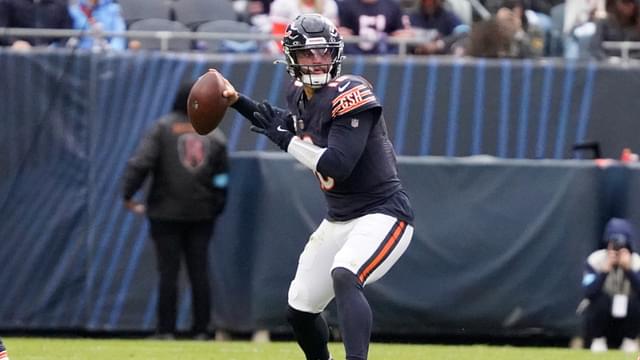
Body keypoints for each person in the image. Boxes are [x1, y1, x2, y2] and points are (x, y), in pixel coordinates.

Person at [220, 13, 414, 360]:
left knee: (345, 273)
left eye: (323, 52)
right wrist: (237, 101)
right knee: (300, 309)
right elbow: (280, 124)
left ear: (336, 54)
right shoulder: (298, 94)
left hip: (383, 213)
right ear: (292, 57)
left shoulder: (352, 92)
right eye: (308, 54)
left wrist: (285, 141)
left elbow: (337, 164)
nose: (317, 60)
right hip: (339, 218)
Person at [122, 83, 229, 340]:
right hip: (202, 214)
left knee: (168, 272)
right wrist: (217, 204)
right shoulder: (214, 134)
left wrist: (128, 194)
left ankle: (166, 330)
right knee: (199, 271)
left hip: (164, 212)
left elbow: (141, 163)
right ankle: (202, 330)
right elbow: (222, 176)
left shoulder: (161, 128)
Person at [581, 217, 640, 353]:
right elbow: (588, 292)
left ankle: (630, 340)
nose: (617, 249)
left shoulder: (637, 262)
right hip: (601, 317)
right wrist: (604, 271)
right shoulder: (595, 260)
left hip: (628, 317)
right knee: (598, 299)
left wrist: (629, 270)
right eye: (613, 243)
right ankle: (598, 340)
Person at [337, 0, 411, 54]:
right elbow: (343, 32)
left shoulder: (393, 6)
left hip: (386, 54)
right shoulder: (346, 6)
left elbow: (402, 34)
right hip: (354, 54)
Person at [0, 0, 72, 49]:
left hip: (52, 58)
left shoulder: (60, 4)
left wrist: (57, 47)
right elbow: (2, 28)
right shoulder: (8, 2)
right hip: (14, 57)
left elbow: (67, 31)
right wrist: (14, 42)